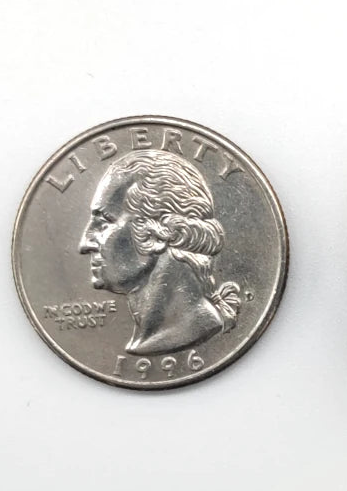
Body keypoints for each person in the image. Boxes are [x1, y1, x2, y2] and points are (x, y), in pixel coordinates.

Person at [79, 149, 241, 355]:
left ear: (156, 234)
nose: (85, 243)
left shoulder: (190, 331)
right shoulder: (149, 340)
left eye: (103, 223)